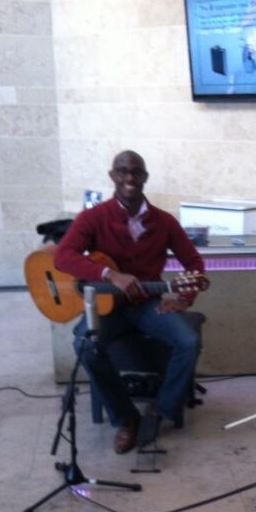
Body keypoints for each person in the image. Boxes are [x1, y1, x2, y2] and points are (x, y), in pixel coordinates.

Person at [55, 150, 206, 454]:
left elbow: (194, 264)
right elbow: (63, 256)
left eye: (136, 172)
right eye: (122, 171)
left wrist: (184, 299)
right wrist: (109, 274)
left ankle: (161, 411)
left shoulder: (164, 222)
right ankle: (126, 418)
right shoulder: (93, 217)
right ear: (112, 176)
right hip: (107, 308)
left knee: (188, 341)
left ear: (145, 178)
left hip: (148, 304)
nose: (129, 178)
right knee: (84, 344)